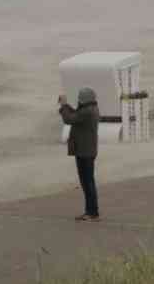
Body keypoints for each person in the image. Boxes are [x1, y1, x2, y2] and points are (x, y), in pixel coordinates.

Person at [59, 88, 100, 222]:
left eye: (80, 98)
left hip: (85, 152)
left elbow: (69, 119)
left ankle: (92, 212)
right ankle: (91, 211)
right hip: (86, 151)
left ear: (85, 99)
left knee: (87, 182)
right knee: (88, 182)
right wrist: (67, 106)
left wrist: (64, 105)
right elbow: (76, 114)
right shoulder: (90, 109)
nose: (78, 100)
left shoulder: (87, 111)